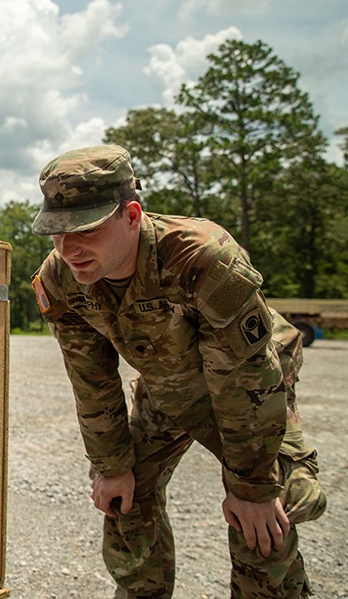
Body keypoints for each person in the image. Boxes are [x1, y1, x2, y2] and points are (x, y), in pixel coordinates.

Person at [29, 144, 326, 598]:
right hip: (165, 385)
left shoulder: (201, 258)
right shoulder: (59, 281)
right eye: (56, 232)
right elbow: (92, 380)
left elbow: (243, 379)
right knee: (124, 498)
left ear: (131, 215)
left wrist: (250, 485)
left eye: (84, 230)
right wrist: (111, 465)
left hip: (253, 383)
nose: (69, 248)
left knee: (264, 512)